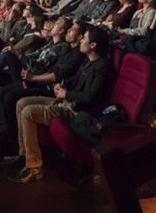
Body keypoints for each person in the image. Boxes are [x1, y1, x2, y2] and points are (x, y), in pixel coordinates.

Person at [8, 26, 115, 183]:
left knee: (28, 112)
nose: (81, 40)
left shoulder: (102, 67)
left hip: (76, 110)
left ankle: (34, 166)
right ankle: (23, 153)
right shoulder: (88, 61)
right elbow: (75, 82)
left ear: (93, 45)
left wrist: (67, 94)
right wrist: (62, 86)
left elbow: (91, 97)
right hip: (66, 101)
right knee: (21, 103)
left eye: (84, 38)